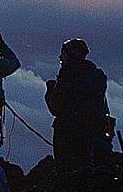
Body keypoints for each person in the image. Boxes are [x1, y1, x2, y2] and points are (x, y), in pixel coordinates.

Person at [43, 38, 113, 172]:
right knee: (87, 167)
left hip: (67, 133)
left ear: (71, 55)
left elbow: (56, 108)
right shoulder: (96, 76)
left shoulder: (67, 77)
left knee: (66, 171)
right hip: (93, 132)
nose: (60, 57)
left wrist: (50, 90)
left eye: (63, 54)